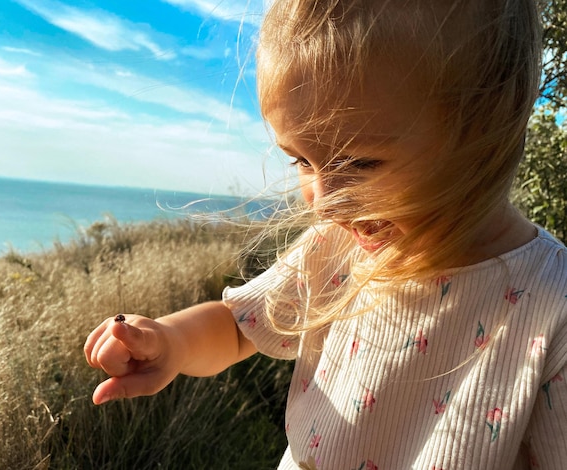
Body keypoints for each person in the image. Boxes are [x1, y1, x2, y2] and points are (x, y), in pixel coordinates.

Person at [84, 1, 567, 468]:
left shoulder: (550, 311)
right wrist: (171, 341)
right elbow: (237, 328)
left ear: (488, 126)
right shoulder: (333, 250)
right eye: (301, 161)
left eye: (359, 162)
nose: (324, 200)